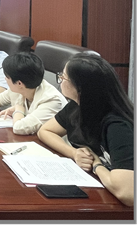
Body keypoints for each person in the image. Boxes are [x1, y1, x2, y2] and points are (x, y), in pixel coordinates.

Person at [37, 53, 133, 206]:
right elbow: (45, 131)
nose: (60, 80)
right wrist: (74, 153)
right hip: (99, 189)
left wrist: (96, 165)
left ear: (80, 88)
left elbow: (127, 194)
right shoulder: (77, 105)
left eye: (63, 77)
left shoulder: (118, 125)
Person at [0, 52, 67, 134]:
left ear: (19, 83)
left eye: (7, 77)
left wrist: (18, 109)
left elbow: (19, 128)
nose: (5, 79)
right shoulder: (22, 87)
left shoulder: (52, 100)